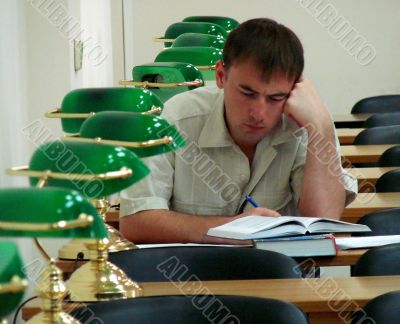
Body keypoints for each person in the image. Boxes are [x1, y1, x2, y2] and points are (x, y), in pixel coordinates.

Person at [120, 17, 357, 244]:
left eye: (276, 98)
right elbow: (136, 221)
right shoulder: (178, 118)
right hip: (194, 275)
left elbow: (324, 222)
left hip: (282, 278)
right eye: (247, 93)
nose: (258, 113)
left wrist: (322, 128)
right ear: (221, 75)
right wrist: (229, 230)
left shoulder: (308, 122)